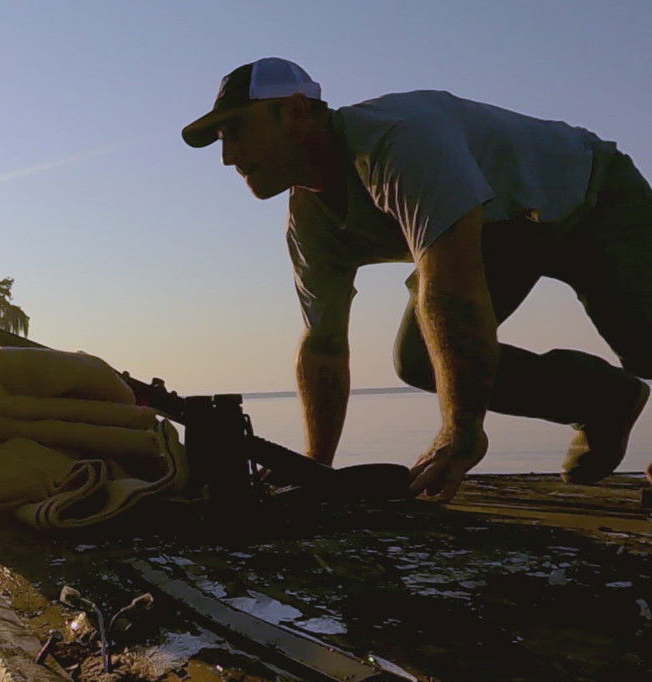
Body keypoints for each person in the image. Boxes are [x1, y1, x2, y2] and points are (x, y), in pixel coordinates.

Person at [182, 57, 651, 501]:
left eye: (238, 130)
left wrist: (460, 434)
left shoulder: (398, 141)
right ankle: (602, 401)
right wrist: (313, 467)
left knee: (646, 341)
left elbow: (451, 288)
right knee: (421, 357)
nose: (228, 158)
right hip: (500, 228)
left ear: (296, 110)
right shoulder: (310, 220)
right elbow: (323, 344)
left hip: (595, 196)